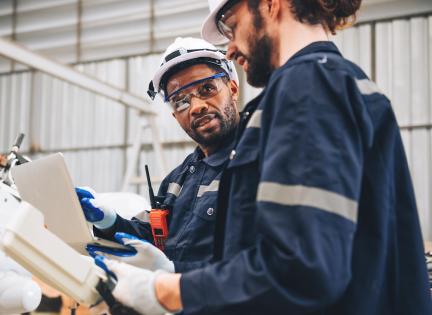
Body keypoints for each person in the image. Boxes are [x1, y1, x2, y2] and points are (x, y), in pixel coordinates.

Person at [96, 1, 432, 314]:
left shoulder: (308, 86)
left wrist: (166, 290)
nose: (229, 47)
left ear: (271, 4)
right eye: (180, 100)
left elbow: (303, 269)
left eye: (231, 24)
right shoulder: (336, 81)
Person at [76, 37, 241, 273]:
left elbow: (257, 261)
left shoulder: (257, 160)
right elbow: (154, 238)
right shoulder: (177, 180)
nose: (196, 107)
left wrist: (175, 272)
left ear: (233, 89)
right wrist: (108, 220)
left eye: (206, 89)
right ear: (175, 116)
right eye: (180, 101)